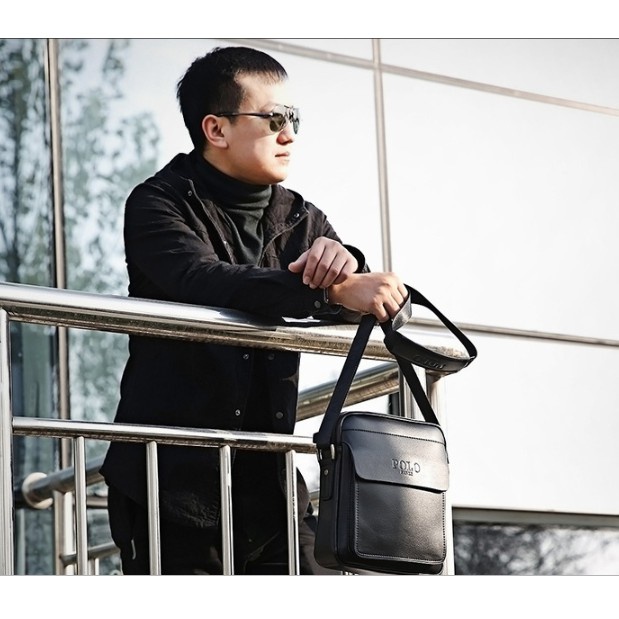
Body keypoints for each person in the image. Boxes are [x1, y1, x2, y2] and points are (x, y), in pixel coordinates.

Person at [100, 45, 408, 575]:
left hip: (273, 490)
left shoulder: (303, 218)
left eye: (294, 119)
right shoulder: (158, 203)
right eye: (274, 119)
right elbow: (201, 280)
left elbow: (356, 299)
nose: (289, 135)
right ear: (216, 129)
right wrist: (330, 292)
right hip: (170, 485)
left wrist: (353, 266)